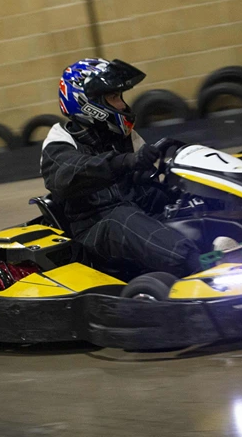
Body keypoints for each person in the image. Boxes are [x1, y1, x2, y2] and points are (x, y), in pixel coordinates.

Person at [40, 58, 206, 278]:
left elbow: (149, 185)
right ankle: (200, 267)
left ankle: (225, 240)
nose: (122, 105)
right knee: (124, 218)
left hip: (136, 212)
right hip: (96, 228)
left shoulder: (123, 136)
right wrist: (127, 161)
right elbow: (72, 174)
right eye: (114, 98)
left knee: (186, 197)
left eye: (120, 97)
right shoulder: (59, 142)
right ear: (87, 103)